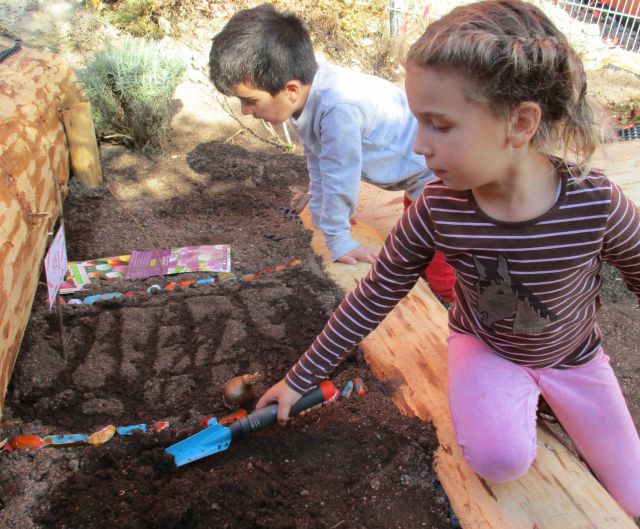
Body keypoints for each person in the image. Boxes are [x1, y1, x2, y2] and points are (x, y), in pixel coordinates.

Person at [255, 0, 640, 517]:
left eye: (439, 125)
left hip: (574, 357)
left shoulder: (595, 204)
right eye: (418, 123)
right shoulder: (438, 207)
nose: (419, 146)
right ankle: (508, 391)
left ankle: (545, 397)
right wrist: (301, 378)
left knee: (635, 494)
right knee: (500, 459)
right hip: (488, 347)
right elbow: (375, 293)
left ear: (520, 122)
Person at [208, 3, 456, 302]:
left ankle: (459, 313)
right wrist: (323, 210)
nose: (246, 112)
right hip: (416, 173)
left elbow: (341, 176)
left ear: (290, 90)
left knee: (442, 266)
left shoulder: (338, 107)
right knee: (416, 240)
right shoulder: (307, 93)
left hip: (439, 172)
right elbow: (318, 160)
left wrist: (339, 241)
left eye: (250, 101)